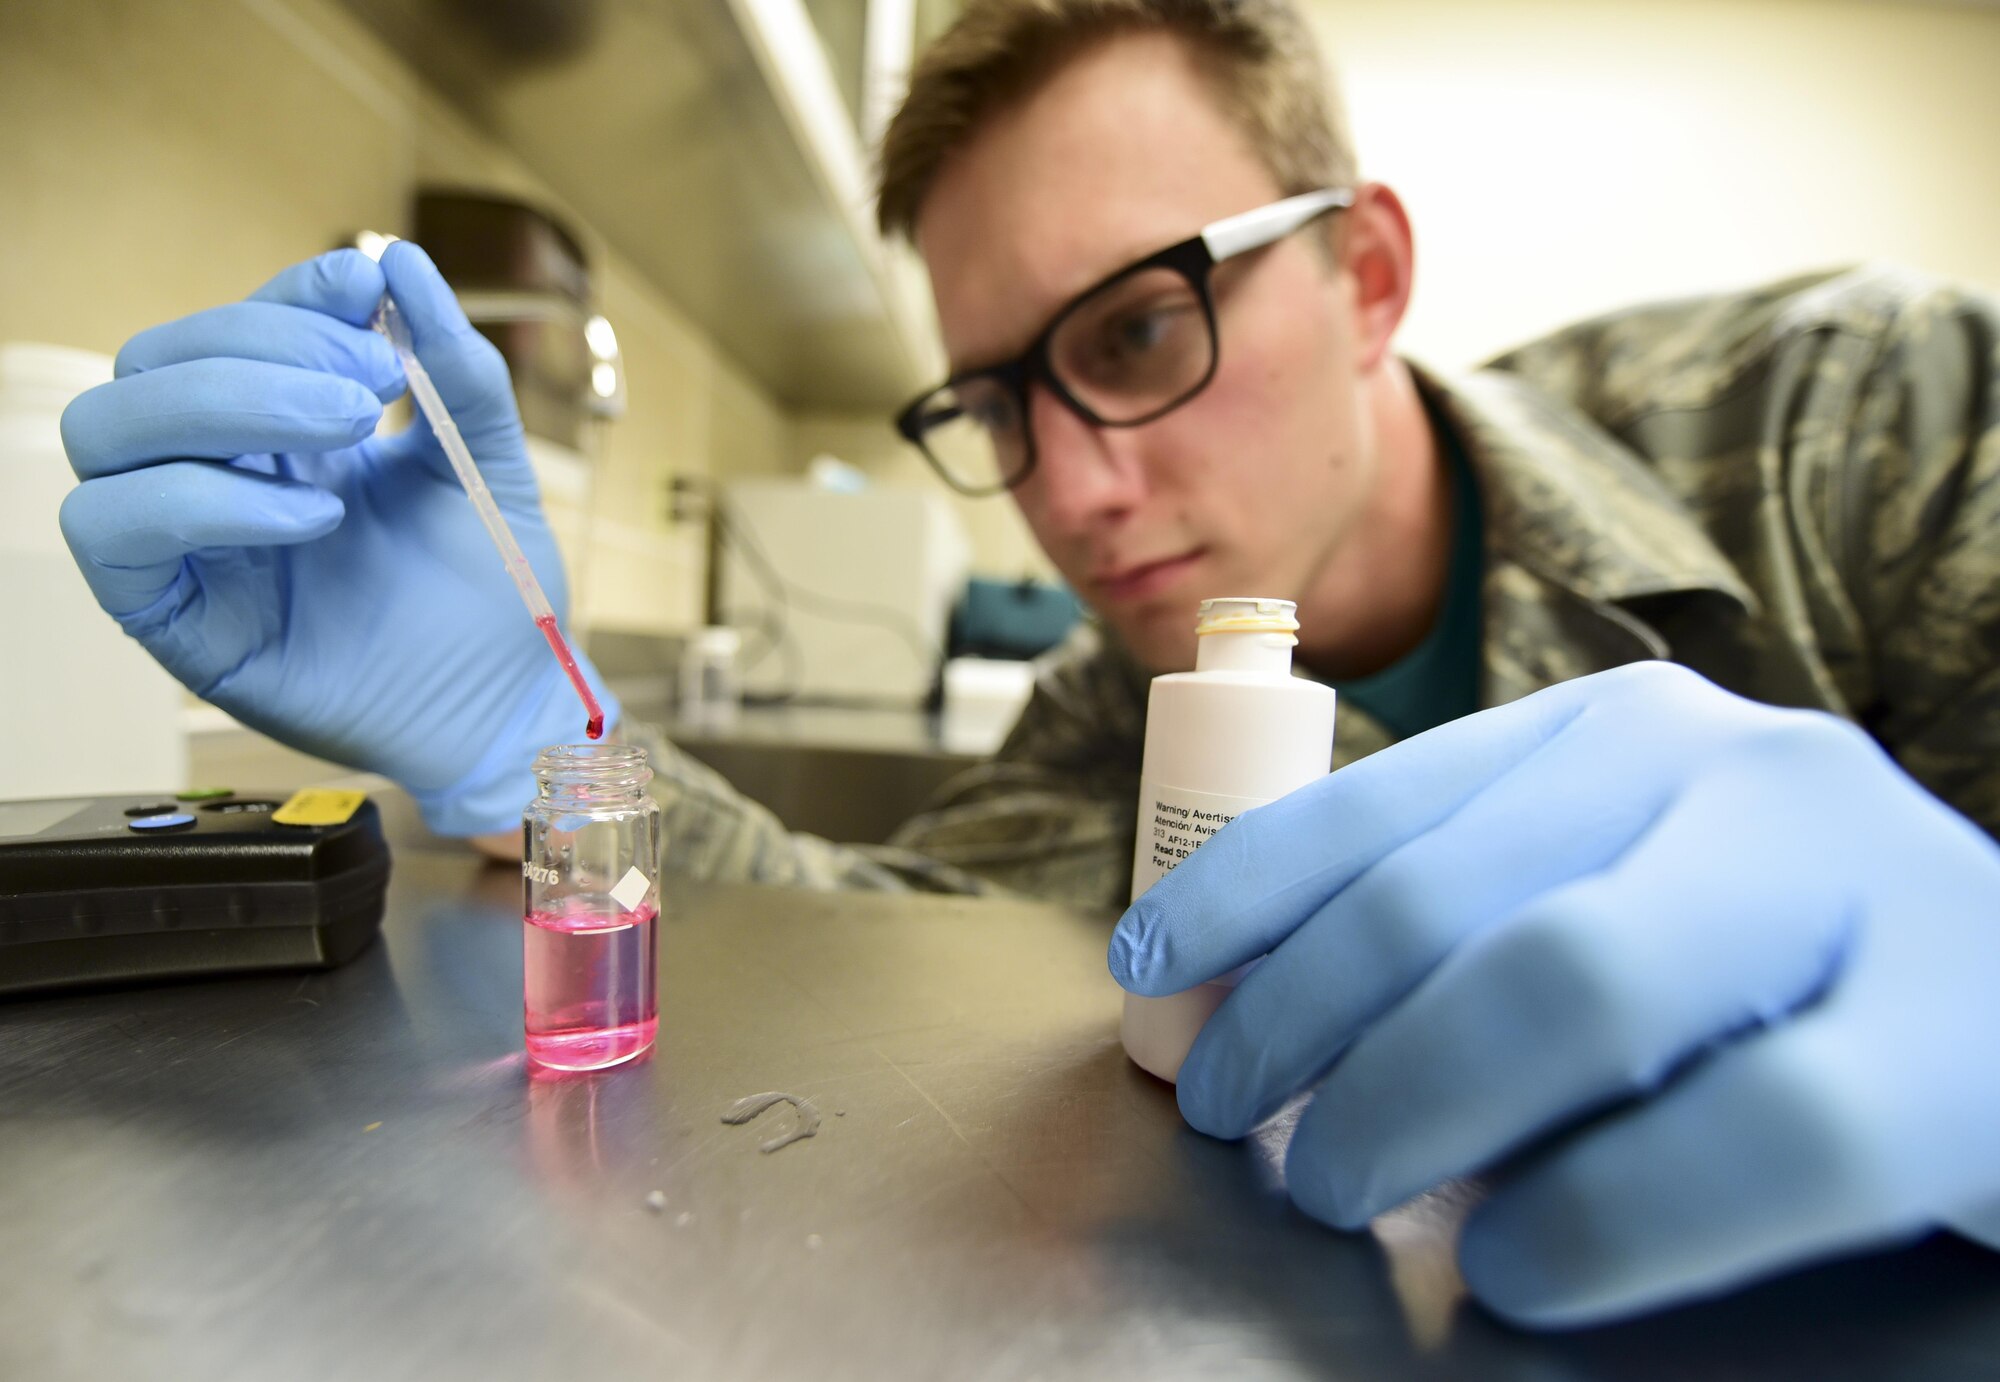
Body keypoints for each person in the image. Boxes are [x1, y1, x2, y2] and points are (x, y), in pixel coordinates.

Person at [55, 0, 1999, 1333]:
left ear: (1374, 277)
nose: (1068, 490)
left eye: (1140, 336)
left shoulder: (1866, 426)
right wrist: (529, 734)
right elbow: (892, 934)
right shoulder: (1112, 705)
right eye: (994, 399)